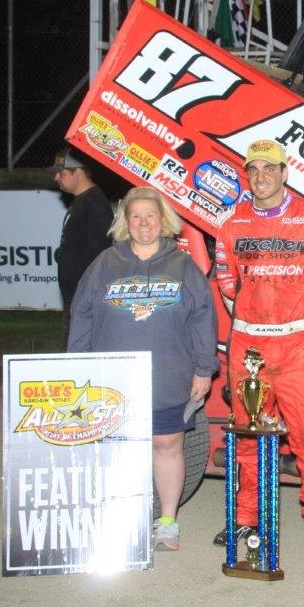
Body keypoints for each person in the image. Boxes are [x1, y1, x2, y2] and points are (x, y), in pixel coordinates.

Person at [68, 186, 218, 551]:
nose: (144, 223)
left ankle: (167, 522)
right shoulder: (104, 263)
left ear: (163, 220)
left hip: (167, 374)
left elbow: (203, 319)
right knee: (114, 447)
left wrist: (204, 368)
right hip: (112, 378)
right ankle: (118, 519)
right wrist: (77, 364)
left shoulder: (183, 266)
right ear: (126, 221)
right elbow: (81, 314)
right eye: (136, 216)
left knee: (167, 445)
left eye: (151, 215)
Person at [212, 139, 304, 551]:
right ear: (247, 175)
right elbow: (227, 285)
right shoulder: (230, 221)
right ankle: (245, 519)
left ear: (285, 173)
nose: (261, 177)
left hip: (298, 348)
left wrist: (303, 328)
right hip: (248, 347)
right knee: (248, 436)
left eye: (270, 169)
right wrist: (253, 320)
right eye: (254, 170)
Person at [52, 147, 113, 348]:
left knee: (78, 348)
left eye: (61, 173)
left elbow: (101, 254)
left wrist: (90, 295)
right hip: (76, 294)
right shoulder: (82, 201)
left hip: (85, 296)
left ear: (77, 172)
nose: (56, 178)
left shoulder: (94, 204)